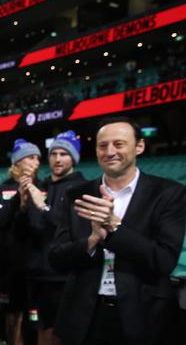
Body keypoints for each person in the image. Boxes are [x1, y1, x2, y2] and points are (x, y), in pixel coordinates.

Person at [49, 116, 186, 345]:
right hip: (83, 317)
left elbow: (163, 260)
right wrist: (92, 240)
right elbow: (56, 259)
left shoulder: (169, 194)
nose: (110, 151)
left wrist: (114, 227)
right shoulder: (77, 195)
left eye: (119, 144)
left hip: (142, 318)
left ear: (139, 146)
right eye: (103, 146)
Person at [20, 131, 86, 345]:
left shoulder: (81, 188)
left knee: (58, 333)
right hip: (36, 274)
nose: (58, 159)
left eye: (64, 154)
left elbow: (75, 230)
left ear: (74, 158)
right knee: (36, 329)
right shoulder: (43, 186)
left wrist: (43, 206)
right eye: (54, 154)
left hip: (62, 278)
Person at [0, 139, 41, 345]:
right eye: (30, 157)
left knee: (36, 319)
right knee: (12, 316)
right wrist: (17, 201)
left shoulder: (43, 187)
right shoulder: (1, 189)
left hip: (37, 264)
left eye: (38, 158)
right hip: (10, 265)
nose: (35, 162)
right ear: (17, 162)